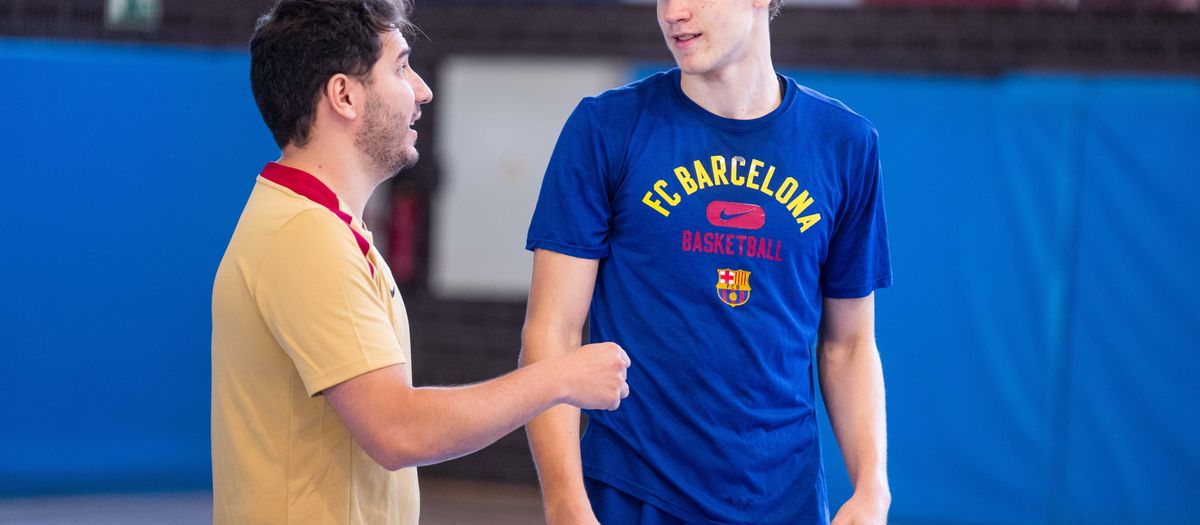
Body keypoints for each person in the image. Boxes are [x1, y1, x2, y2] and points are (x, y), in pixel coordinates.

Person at [210, 1, 631, 523]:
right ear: (344, 95)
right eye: (401, 67)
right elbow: (399, 429)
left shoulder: (325, 227)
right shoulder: (306, 237)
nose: (422, 90)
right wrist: (560, 379)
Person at [521, 0, 892, 523]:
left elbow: (849, 344)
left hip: (787, 502)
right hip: (635, 495)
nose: (672, 12)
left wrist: (872, 486)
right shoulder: (607, 128)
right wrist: (566, 506)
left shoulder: (845, 145)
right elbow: (552, 331)